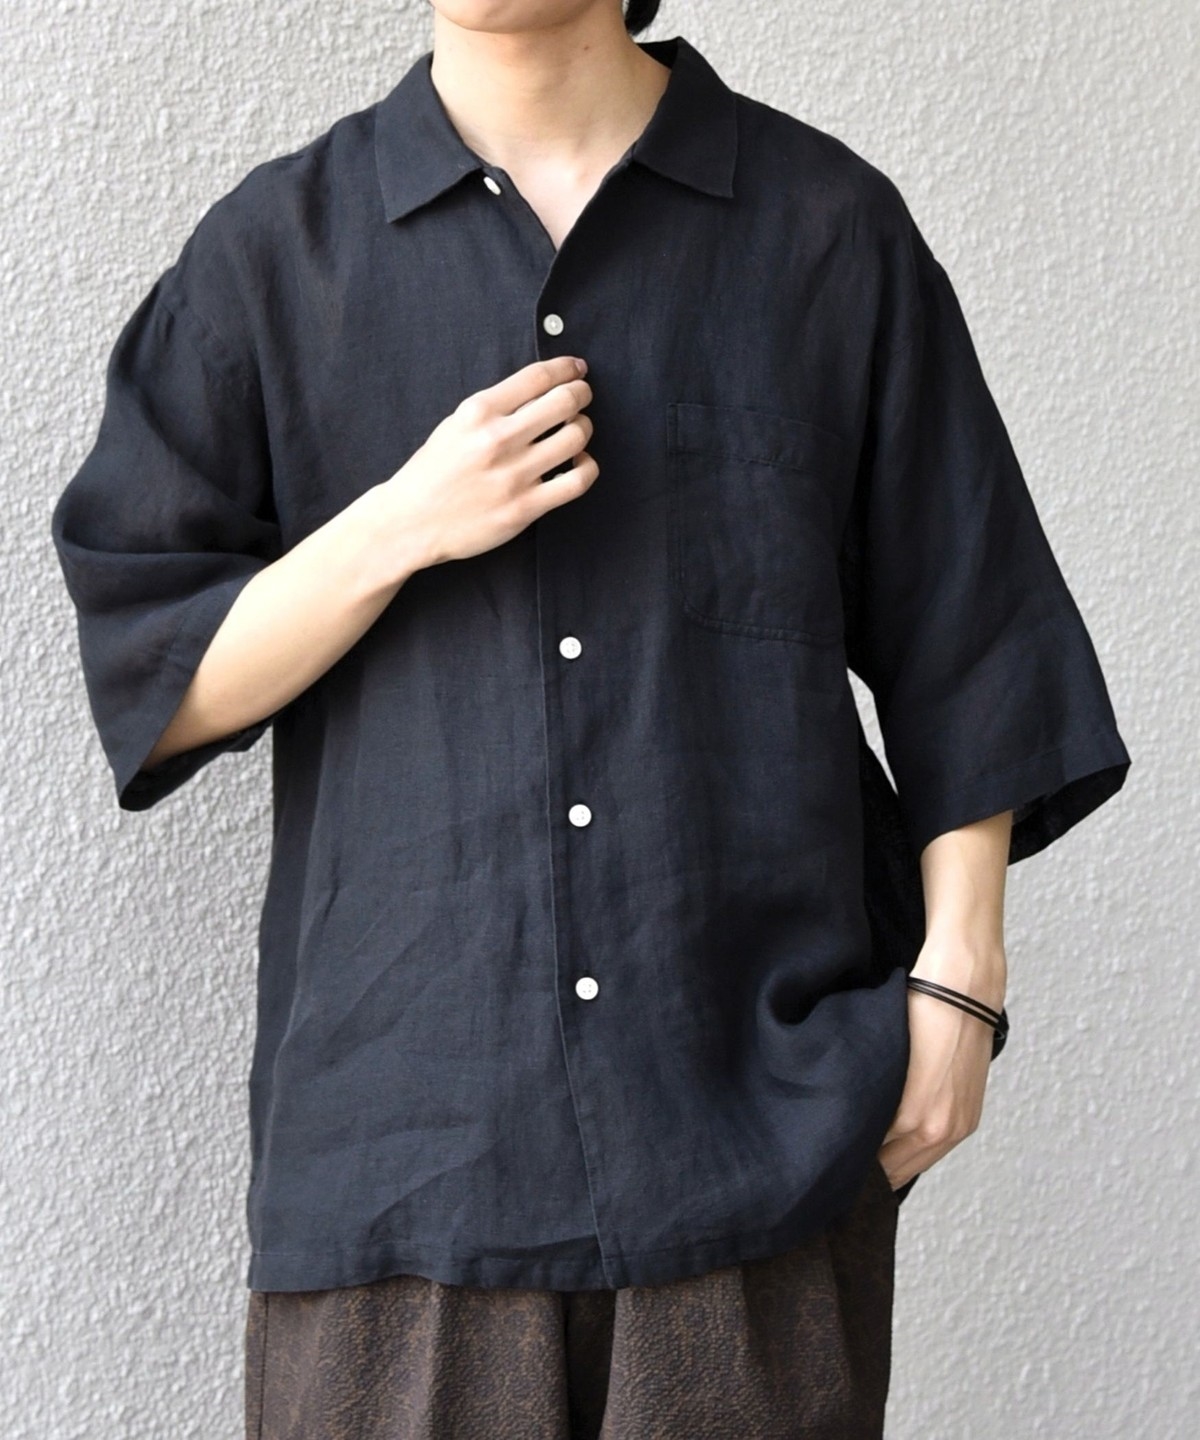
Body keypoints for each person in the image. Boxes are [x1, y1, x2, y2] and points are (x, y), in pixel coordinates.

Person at [49, 1, 1132, 1436]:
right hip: (404, 1168)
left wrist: (961, 996)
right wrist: (400, 524)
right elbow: (157, 673)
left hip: (755, 1151)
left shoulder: (826, 230)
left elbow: (972, 636)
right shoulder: (273, 256)